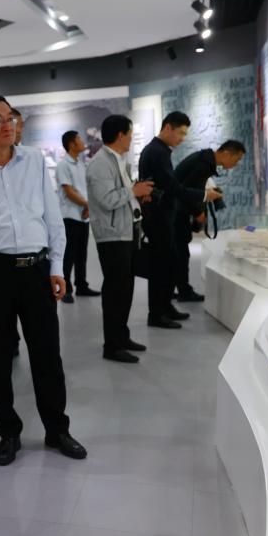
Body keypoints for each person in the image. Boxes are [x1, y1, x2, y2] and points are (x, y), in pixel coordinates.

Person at [0, 94, 87, 467]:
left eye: (11, 118)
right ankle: (8, 430)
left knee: (47, 354)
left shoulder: (33, 160)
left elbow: (52, 216)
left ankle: (57, 429)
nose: (8, 125)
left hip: (36, 271)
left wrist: (56, 267)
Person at [138, 112, 220, 329]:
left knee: (167, 264)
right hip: (158, 217)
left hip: (162, 216)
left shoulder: (158, 150)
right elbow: (172, 188)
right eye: (181, 133)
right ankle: (156, 314)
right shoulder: (157, 152)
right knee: (160, 266)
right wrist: (203, 195)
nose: (182, 138)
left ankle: (165, 307)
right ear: (168, 128)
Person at [87, 115, 155, 364]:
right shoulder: (99, 164)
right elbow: (107, 200)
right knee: (116, 291)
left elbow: (122, 195)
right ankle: (112, 345)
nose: (131, 139)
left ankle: (122, 337)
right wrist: (133, 191)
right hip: (112, 235)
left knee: (125, 289)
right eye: (130, 134)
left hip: (127, 232)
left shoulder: (117, 160)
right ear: (120, 135)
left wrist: (137, 193)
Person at [172, 140, 246, 302]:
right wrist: (198, 212)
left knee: (178, 252)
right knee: (180, 253)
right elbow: (185, 191)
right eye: (236, 159)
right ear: (226, 154)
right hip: (175, 211)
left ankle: (173, 290)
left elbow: (189, 188)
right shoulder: (204, 164)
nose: (236, 164)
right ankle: (183, 291)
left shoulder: (204, 160)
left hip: (175, 210)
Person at [56, 130, 100, 302]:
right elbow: (68, 191)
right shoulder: (63, 165)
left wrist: (87, 205)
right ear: (72, 144)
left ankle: (81, 285)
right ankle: (66, 289)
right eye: (79, 139)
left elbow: (84, 189)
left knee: (82, 253)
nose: (82, 142)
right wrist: (87, 204)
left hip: (83, 215)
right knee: (69, 254)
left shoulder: (81, 164)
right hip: (70, 216)